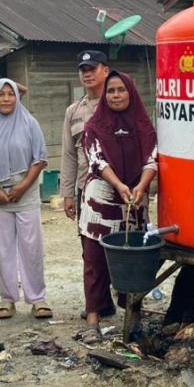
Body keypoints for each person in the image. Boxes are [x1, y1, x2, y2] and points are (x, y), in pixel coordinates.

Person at [78, 71, 157, 343]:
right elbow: (97, 161)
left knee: (133, 259)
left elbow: (152, 159)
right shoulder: (94, 125)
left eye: (121, 90)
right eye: (111, 91)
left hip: (135, 199)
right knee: (95, 260)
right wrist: (119, 185)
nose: (116, 95)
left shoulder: (144, 125)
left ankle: (133, 317)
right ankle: (93, 320)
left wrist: (140, 186)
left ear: (131, 92)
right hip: (101, 200)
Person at [0, 78, 51, 320]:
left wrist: (22, 186)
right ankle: (7, 298)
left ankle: (38, 298)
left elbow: (39, 158)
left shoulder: (29, 122)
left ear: (17, 97)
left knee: (32, 246)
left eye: (11, 94)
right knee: (3, 247)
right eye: (1, 94)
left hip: (26, 188)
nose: (6, 99)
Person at [60, 49, 119, 319]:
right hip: (87, 189)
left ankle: (129, 302)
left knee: (119, 248)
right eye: (82, 69)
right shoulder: (73, 111)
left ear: (105, 70)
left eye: (92, 68)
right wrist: (68, 194)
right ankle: (98, 304)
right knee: (90, 250)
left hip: (119, 190)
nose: (86, 73)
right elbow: (69, 154)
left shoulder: (119, 103)